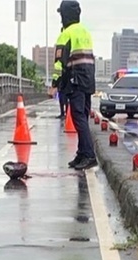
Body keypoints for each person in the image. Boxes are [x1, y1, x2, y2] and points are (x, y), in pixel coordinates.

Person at [49, 1, 97, 170]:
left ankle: (89, 155)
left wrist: (55, 83)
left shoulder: (66, 34)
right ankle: (82, 153)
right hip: (87, 80)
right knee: (82, 115)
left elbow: (59, 63)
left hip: (74, 80)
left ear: (64, 15)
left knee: (78, 117)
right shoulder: (85, 32)